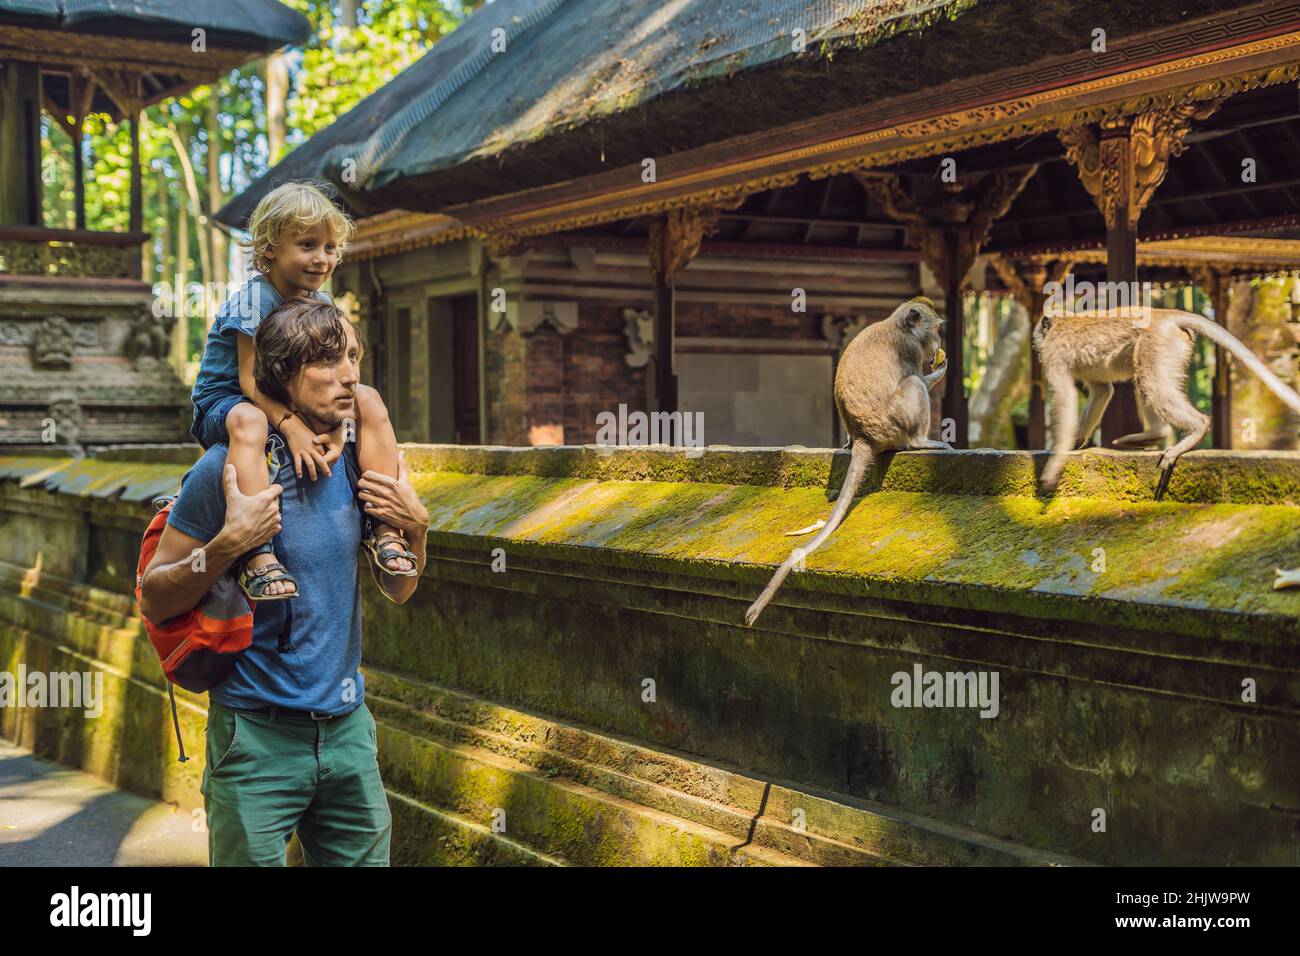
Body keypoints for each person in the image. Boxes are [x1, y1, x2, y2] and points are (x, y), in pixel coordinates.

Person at [139, 297, 430, 867]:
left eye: (353, 356)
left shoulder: (363, 463)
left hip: (348, 731)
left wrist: (416, 532)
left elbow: (401, 589)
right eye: (326, 361)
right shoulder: (223, 469)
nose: (348, 375)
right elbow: (154, 595)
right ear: (281, 375)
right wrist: (230, 544)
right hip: (256, 736)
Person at [189, 180, 416, 602]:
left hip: (290, 397)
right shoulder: (254, 299)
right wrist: (292, 428)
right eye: (308, 245)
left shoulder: (322, 302)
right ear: (271, 247)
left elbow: (338, 373)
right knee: (250, 420)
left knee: (368, 397)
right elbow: (250, 381)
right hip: (230, 402)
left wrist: (333, 431)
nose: (321, 259)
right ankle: (257, 552)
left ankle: (384, 526)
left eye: (330, 248)